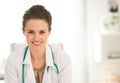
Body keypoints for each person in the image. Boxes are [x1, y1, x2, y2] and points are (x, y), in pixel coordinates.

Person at [4, 5, 72, 83]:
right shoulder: (13, 61)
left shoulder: (63, 60)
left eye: (42, 32)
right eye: (31, 32)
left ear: (49, 31)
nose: (36, 38)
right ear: (23, 31)